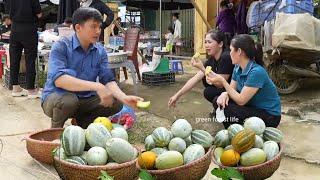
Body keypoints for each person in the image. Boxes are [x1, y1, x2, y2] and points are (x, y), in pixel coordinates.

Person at [41, 7, 143, 128]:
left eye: (99, 27)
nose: (98, 31)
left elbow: (108, 79)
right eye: (93, 26)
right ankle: (55, 130)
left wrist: (124, 98)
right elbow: (59, 80)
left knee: (115, 102)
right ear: (78, 28)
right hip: (56, 97)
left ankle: (83, 123)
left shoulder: (100, 51)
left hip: (84, 99)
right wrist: (96, 86)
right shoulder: (61, 46)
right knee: (68, 101)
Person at [206, 34, 281, 128]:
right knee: (218, 101)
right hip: (253, 108)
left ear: (239, 52)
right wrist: (225, 94)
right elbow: (231, 90)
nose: (229, 53)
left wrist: (223, 81)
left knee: (228, 109)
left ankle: (237, 133)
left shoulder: (256, 72)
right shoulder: (238, 67)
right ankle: (233, 132)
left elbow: (241, 101)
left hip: (269, 116)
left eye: (231, 50)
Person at [168, 30, 234, 108]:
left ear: (220, 44)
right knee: (207, 88)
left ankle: (226, 107)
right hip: (224, 91)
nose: (206, 45)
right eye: (205, 42)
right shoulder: (211, 59)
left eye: (209, 42)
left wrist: (202, 68)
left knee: (209, 91)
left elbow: (220, 84)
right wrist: (177, 96)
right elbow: (195, 79)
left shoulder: (226, 57)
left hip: (234, 91)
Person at [8, 0, 42, 98]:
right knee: (30, 58)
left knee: (14, 58)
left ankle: (15, 88)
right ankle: (31, 90)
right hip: (29, 28)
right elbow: (39, 14)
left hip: (14, 28)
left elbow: (9, 12)